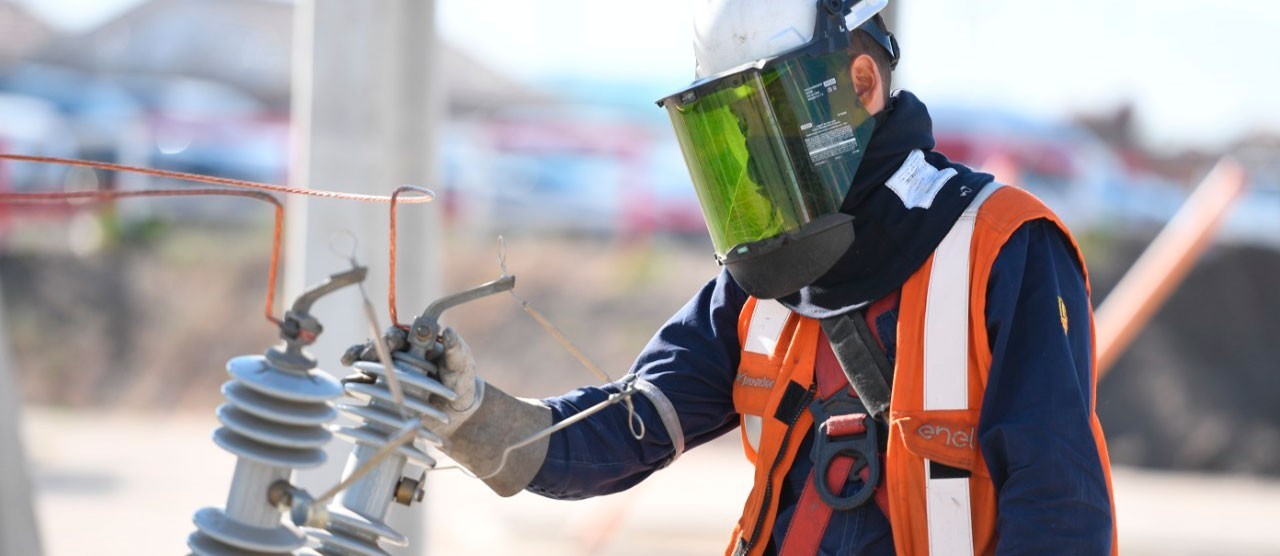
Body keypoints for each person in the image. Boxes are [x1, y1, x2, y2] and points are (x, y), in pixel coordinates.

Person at [348, 1, 1117, 554]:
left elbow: (1059, 512)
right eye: (735, 129)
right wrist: (472, 415)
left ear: (860, 85)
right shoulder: (764, 280)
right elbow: (629, 428)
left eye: (771, 120)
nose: (752, 161)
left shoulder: (1005, 249)